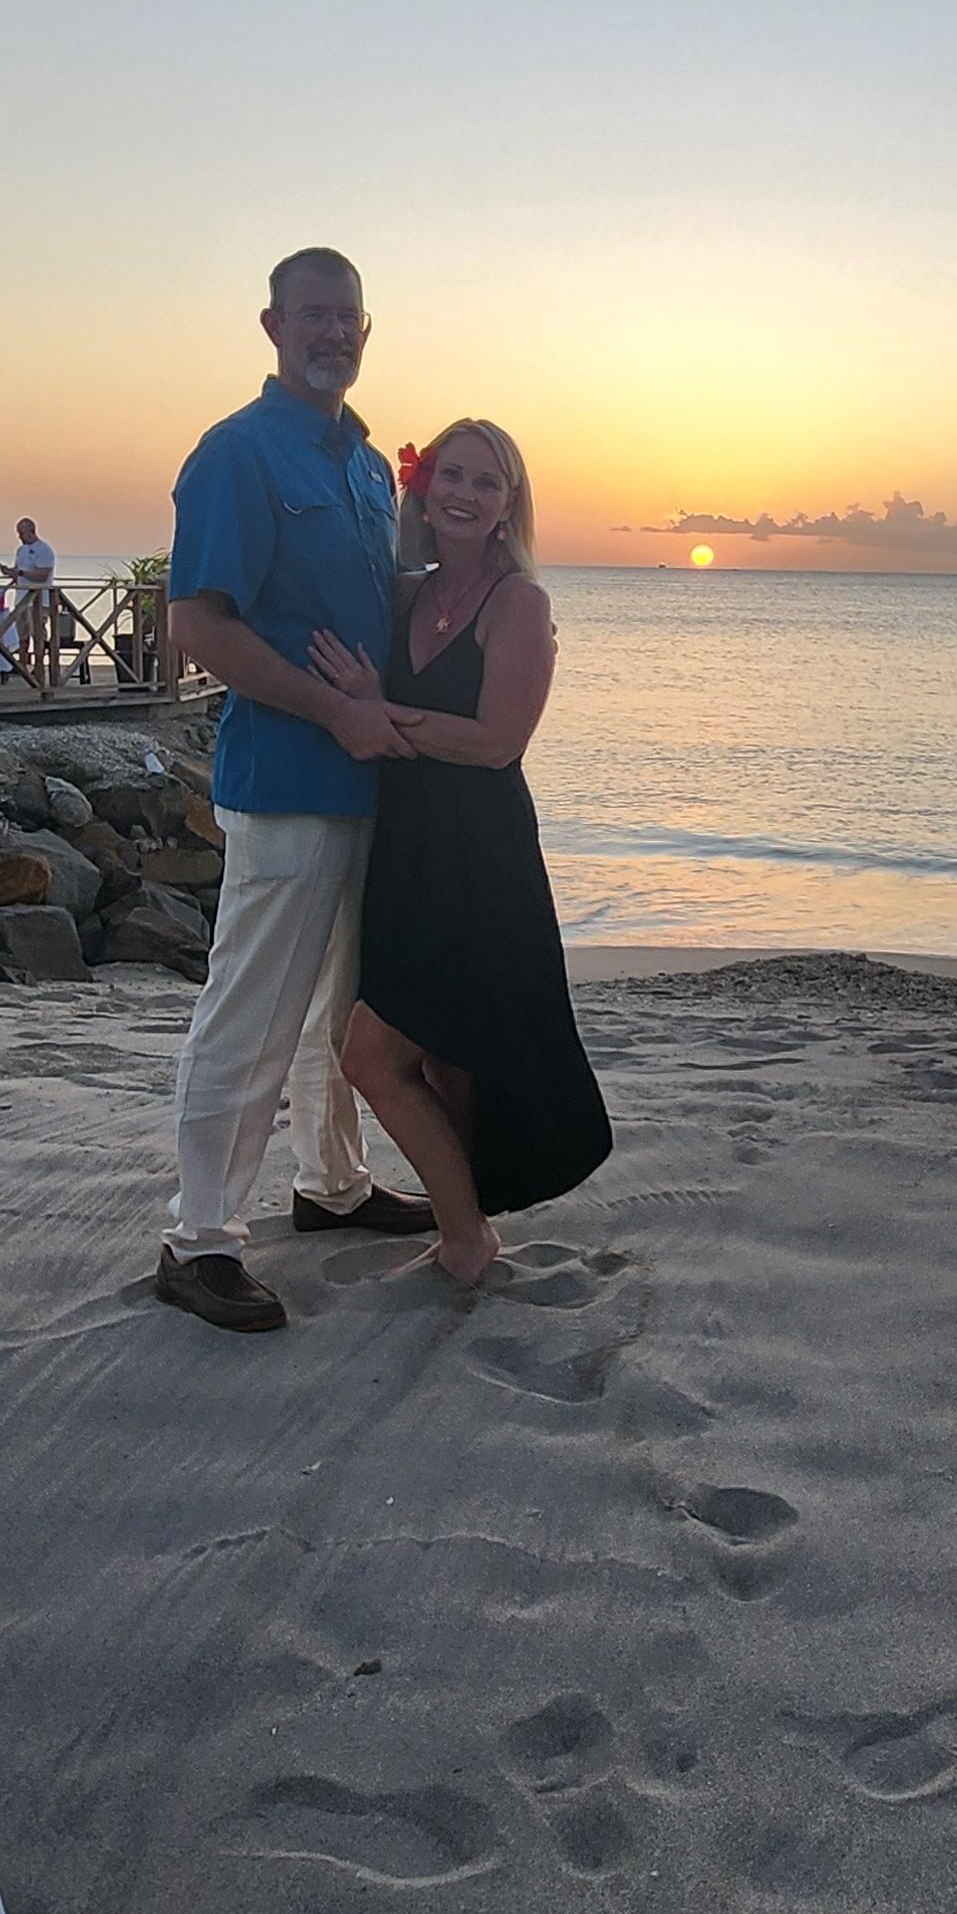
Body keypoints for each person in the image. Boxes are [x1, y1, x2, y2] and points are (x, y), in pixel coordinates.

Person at [152, 249, 434, 1331]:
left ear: (368, 331)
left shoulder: (365, 467)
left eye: (348, 318)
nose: (333, 334)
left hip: (369, 787)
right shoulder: (239, 454)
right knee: (251, 1013)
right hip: (287, 783)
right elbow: (202, 624)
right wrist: (339, 714)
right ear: (272, 326)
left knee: (341, 1009)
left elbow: (378, 607)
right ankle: (199, 1237)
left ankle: (331, 1184)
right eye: (314, 316)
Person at [309, 419, 612, 1287]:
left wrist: (378, 712)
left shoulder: (520, 603)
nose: (466, 494)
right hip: (407, 853)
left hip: (481, 864)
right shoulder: (404, 594)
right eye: (453, 476)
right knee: (420, 1055)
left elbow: (497, 742)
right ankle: (463, 1232)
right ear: (425, 487)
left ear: (510, 503)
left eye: (488, 482)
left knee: (385, 1056)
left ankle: (467, 1235)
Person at [7, 517, 62, 683]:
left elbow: (42, 575)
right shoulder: (21, 550)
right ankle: (22, 665)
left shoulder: (44, 550)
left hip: (38, 600)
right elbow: (19, 571)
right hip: (21, 598)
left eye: (22, 533)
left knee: (37, 634)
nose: (20, 537)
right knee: (21, 634)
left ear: (31, 531)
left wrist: (22, 574)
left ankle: (40, 669)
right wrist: (11, 574)